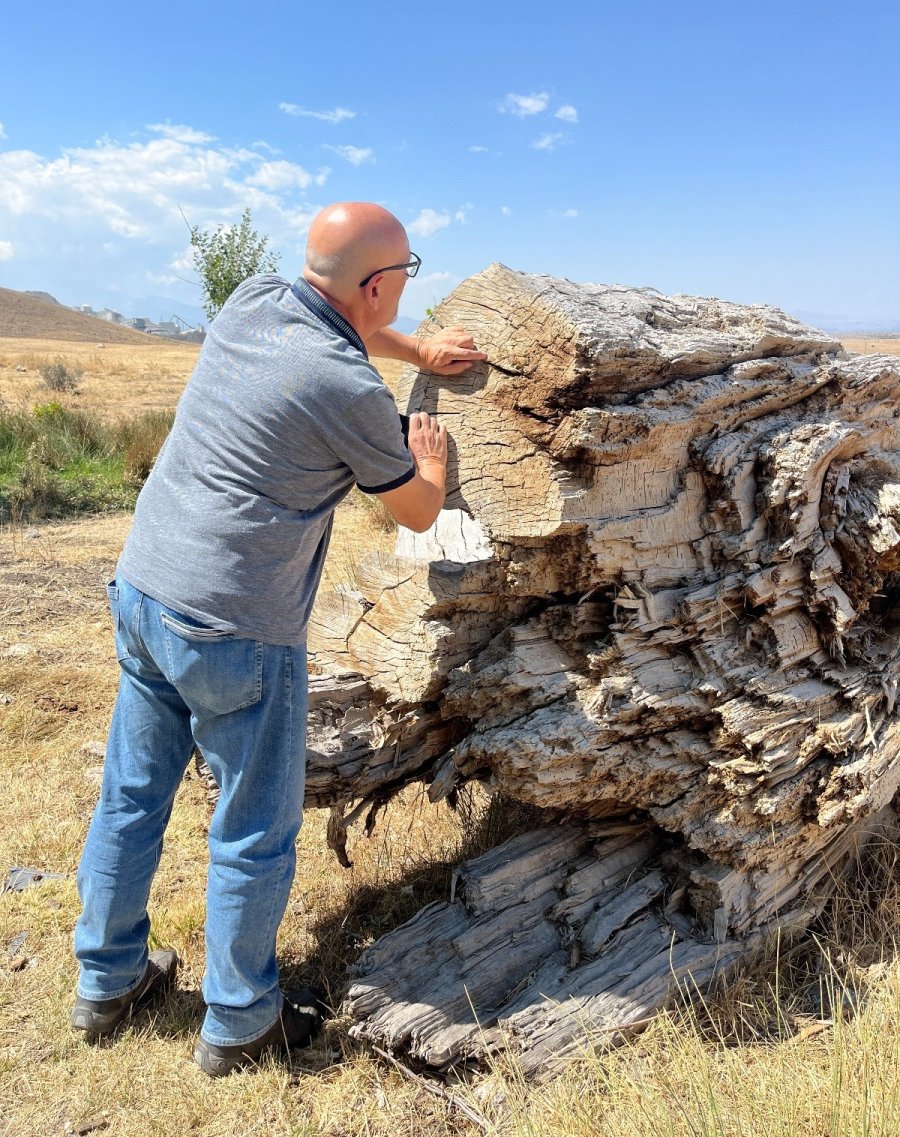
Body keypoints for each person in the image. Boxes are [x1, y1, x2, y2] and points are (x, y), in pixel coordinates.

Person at [71, 202, 486, 1076]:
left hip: (145, 589)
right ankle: (240, 1021)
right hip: (235, 629)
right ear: (379, 284)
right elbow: (411, 510)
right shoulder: (347, 391)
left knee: (131, 795)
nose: (409, 287)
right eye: (406, 274)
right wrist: (437, 464)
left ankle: (106, 981)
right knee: (252, 827)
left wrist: (415, 350)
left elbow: (341, 329)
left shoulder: (255, 299)